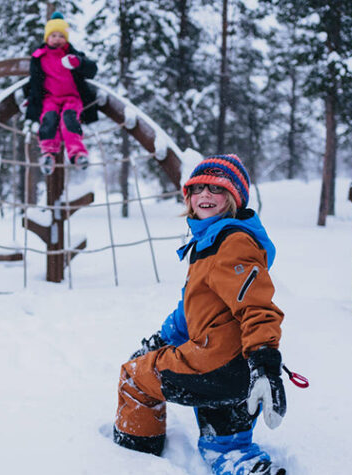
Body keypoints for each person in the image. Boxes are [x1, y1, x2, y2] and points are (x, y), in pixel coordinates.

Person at [112, 155, 287, 475]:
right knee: (225, 447)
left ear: (234, 198)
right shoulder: (211, 242)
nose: (205, 195)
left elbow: (256, 304)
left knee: (135, 377)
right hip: (237, 367)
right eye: (198, 189)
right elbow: (191, 309)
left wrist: (266, 361)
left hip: (219, 363)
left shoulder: (231, 242)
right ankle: (241, 463)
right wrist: (161, 339)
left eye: (216, 189)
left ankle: (134, 460)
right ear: (189, 199)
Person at [26, 11, 98, 176]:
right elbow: (35, 82)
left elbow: (92, 69)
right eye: (53, 35)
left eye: (61, 36)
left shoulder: (72, 54)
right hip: (50, 98)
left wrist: (78, 63)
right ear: (47, 38)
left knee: (69, 119)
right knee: (49, 120)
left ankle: (77, 153)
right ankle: (48, 154)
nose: (57, 39)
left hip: (71, 98)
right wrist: (31, 101)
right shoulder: (39, 57)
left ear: (66, 38)